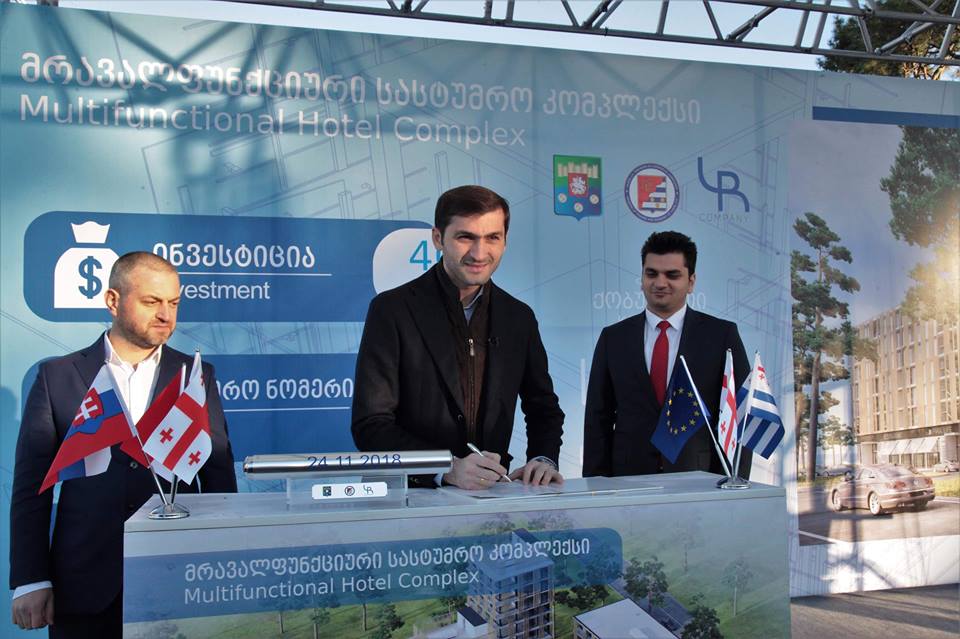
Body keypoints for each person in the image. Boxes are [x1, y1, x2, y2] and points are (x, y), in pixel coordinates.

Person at [9, 252, 237, 638]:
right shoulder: (58, 376)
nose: (166, 315)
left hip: (177, 583)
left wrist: (224, 565)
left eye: (174, 303)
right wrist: (31, 579)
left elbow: (217, 479)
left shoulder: (194, 375)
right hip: (83, 588)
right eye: (151, 301)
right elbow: (32, 487)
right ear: (113, 301)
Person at [352, 185, 564, 490]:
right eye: (466, 237)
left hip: (491, 498)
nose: (479, 253)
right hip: (408, 498)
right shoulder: (391, 310)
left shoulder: (519, 317)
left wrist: (543, 459)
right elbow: (370, 425)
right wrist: (447, 468)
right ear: (438, 238)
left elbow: (543, 407)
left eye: (492, 238)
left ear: (505, 241)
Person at [583, 231, 751, 478]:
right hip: (628, 480)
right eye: (651, 274)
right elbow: (598, 419)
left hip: (700, 480)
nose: (660, 283)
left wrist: (734, 483)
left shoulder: (721, 335)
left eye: (672, 275)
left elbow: (740, 416)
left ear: (691, 282)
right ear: (642, 278)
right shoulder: (614, 338)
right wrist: (596, 486)